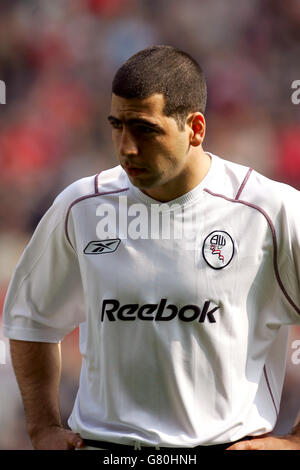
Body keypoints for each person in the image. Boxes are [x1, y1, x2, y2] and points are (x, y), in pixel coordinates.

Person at [2, 45, 300, 451]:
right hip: (107, 450)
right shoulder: (81, 206)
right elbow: (28, 320)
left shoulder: (269, 210)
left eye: (144, 129)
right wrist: (42, 428)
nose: (126, 147)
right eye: (116, 126)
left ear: (195, 128)